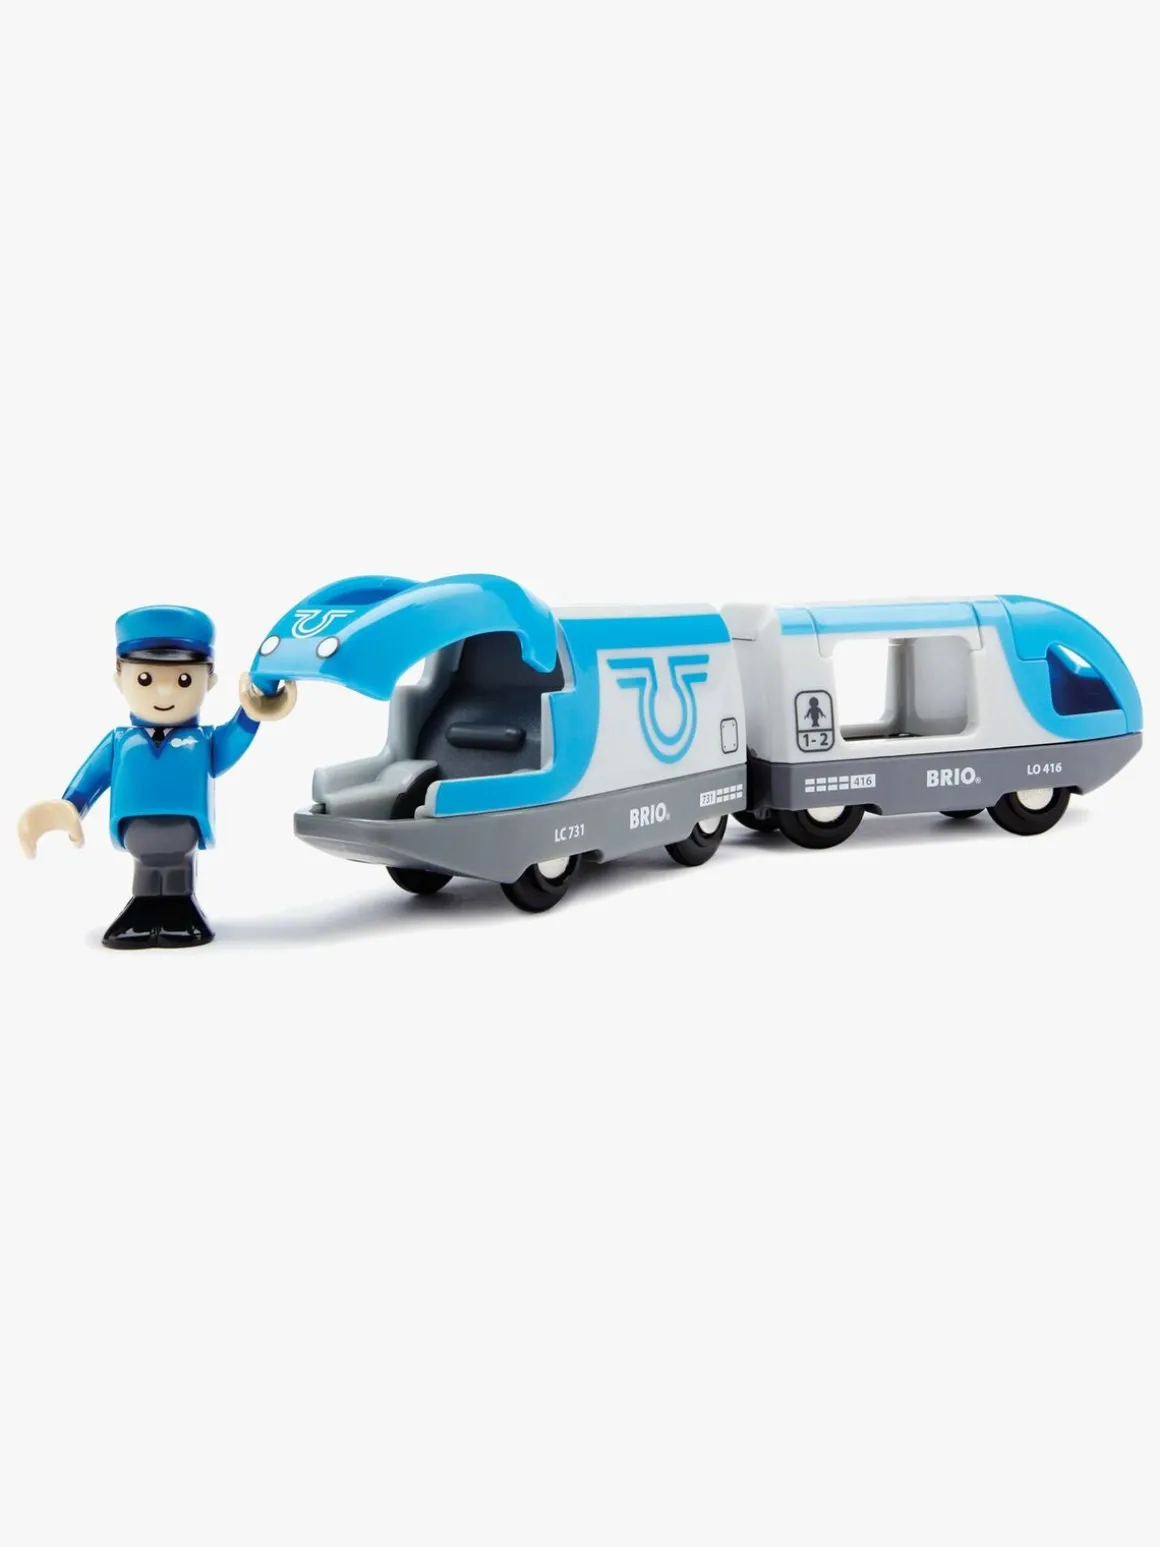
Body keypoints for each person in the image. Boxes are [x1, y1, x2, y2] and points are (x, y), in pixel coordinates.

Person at [17, 604, 296, 949]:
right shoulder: (120, 742)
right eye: (145, 679)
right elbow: (92, 779)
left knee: (177, 872)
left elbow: (232, 743)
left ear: (209, 681)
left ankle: (181, 912)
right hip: (137, 831)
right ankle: (144, 912)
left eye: (183, 680)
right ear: (120, 679)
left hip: (184, 830)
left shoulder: (202, 742)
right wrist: (70, 806)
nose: (165, 693)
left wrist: (251, 715)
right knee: (147, 872)